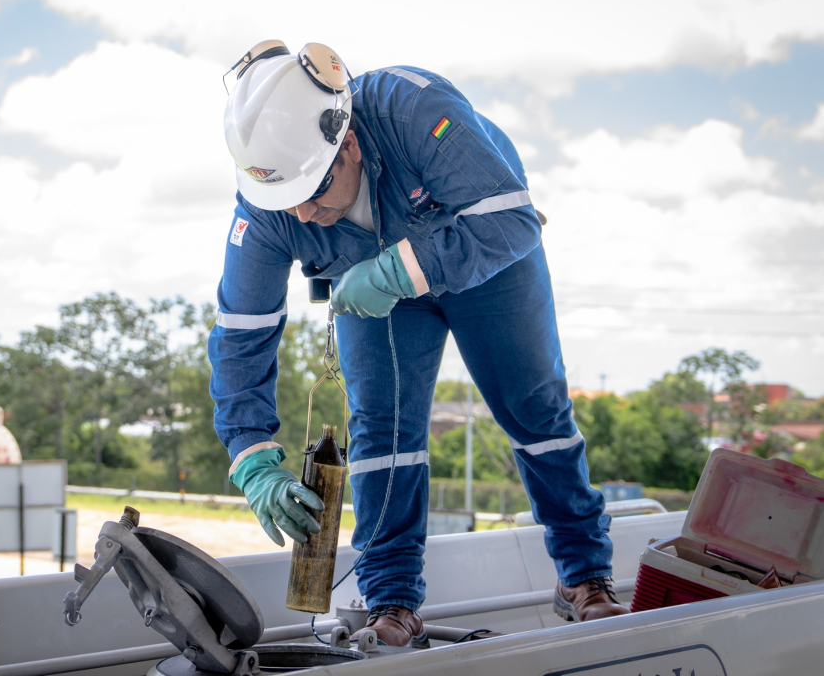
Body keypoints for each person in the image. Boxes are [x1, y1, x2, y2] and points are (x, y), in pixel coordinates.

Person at [209, 40, 628, 647]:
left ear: (347, 145)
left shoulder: (414, 108)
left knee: (534, 406)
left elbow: (512, 222)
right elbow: (241, 331)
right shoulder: (269, 202)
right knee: (381, 427)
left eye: (312, 194)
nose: (299, 215)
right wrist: (250, 455)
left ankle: (585, 577)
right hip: (371, 287)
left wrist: (394, 273)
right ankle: (391, 602)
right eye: (284, 200)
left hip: (483, 253)